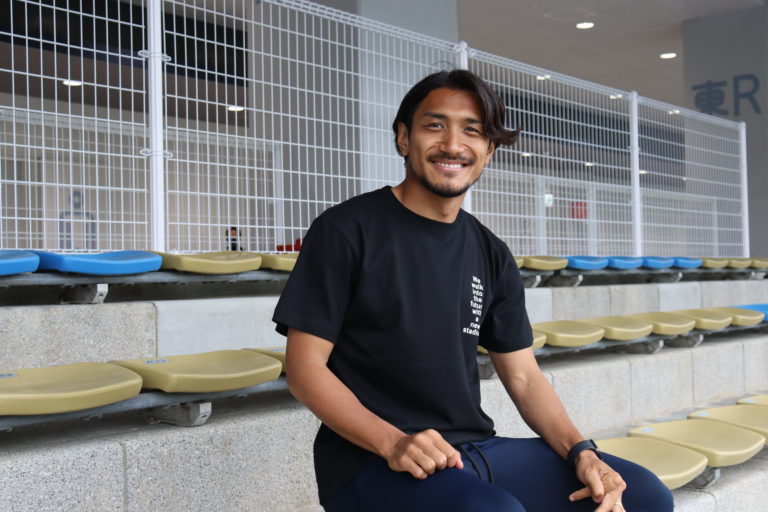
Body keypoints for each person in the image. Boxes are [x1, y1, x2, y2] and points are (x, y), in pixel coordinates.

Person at [272, 69, 673, 512]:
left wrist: (582, 451)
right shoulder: (346, 230)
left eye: (472, 131)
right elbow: (305, 369)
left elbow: (523, 377)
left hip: (474, 450)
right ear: (404, 138)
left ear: (488, 151)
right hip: (371, 461)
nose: (452, 144)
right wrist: (393, 442)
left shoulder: (490, 251)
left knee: (645, 495)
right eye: (434, 125)